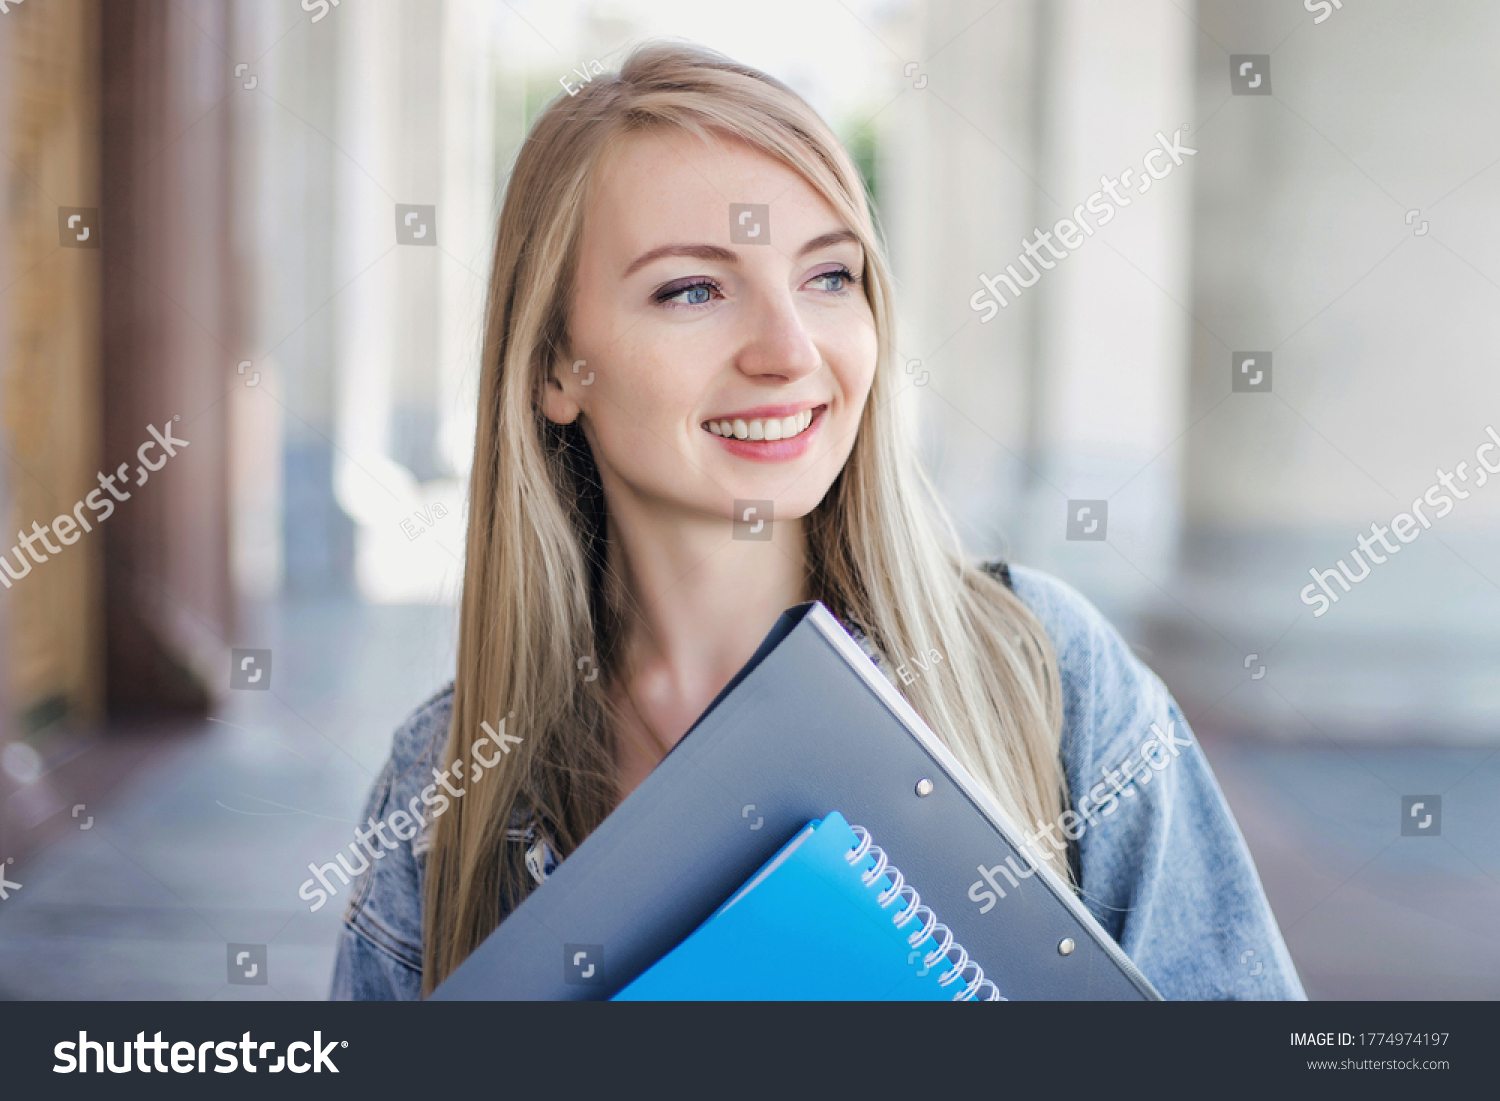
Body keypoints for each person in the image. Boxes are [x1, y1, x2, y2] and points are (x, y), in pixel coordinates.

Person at [330, 40, 1304, 1001]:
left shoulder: (1053, 679)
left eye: (829, 277)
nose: (791, 352)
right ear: (553, 368)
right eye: (694, 290)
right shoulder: (440, 789)